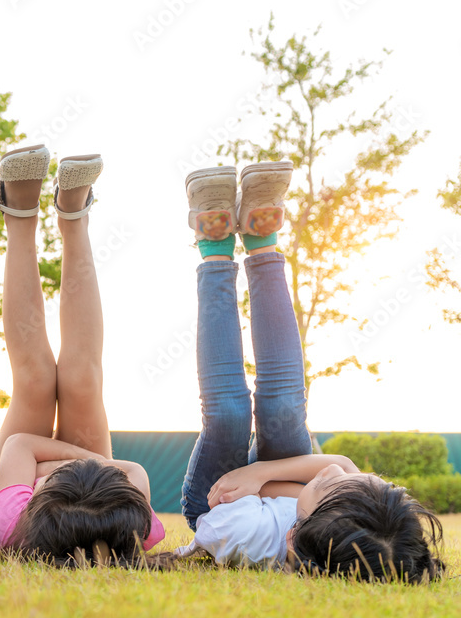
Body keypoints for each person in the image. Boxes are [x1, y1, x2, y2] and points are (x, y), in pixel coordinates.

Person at [176, 162, 444, 582]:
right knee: (283, 406)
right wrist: (264, 474)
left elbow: (243, 495)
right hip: (270, 489)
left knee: (229, 415)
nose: (332, 475)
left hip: (217, 502)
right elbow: (341, 464)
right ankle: (262, 239)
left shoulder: (244, 537)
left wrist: (255, 480)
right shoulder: (368, 514)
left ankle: (214, 245)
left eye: (325, 488)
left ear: (296, 534)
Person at [0, 145, 166, 567]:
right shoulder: (134, 527)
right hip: (93, 479)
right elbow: (135, 475)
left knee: (35, 379)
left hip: (17, 470)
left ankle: (19, 216)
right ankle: (73, 220)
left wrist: (89, 466)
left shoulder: (14, 523)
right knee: (82, 379)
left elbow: (22, 447)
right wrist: (89, 468)